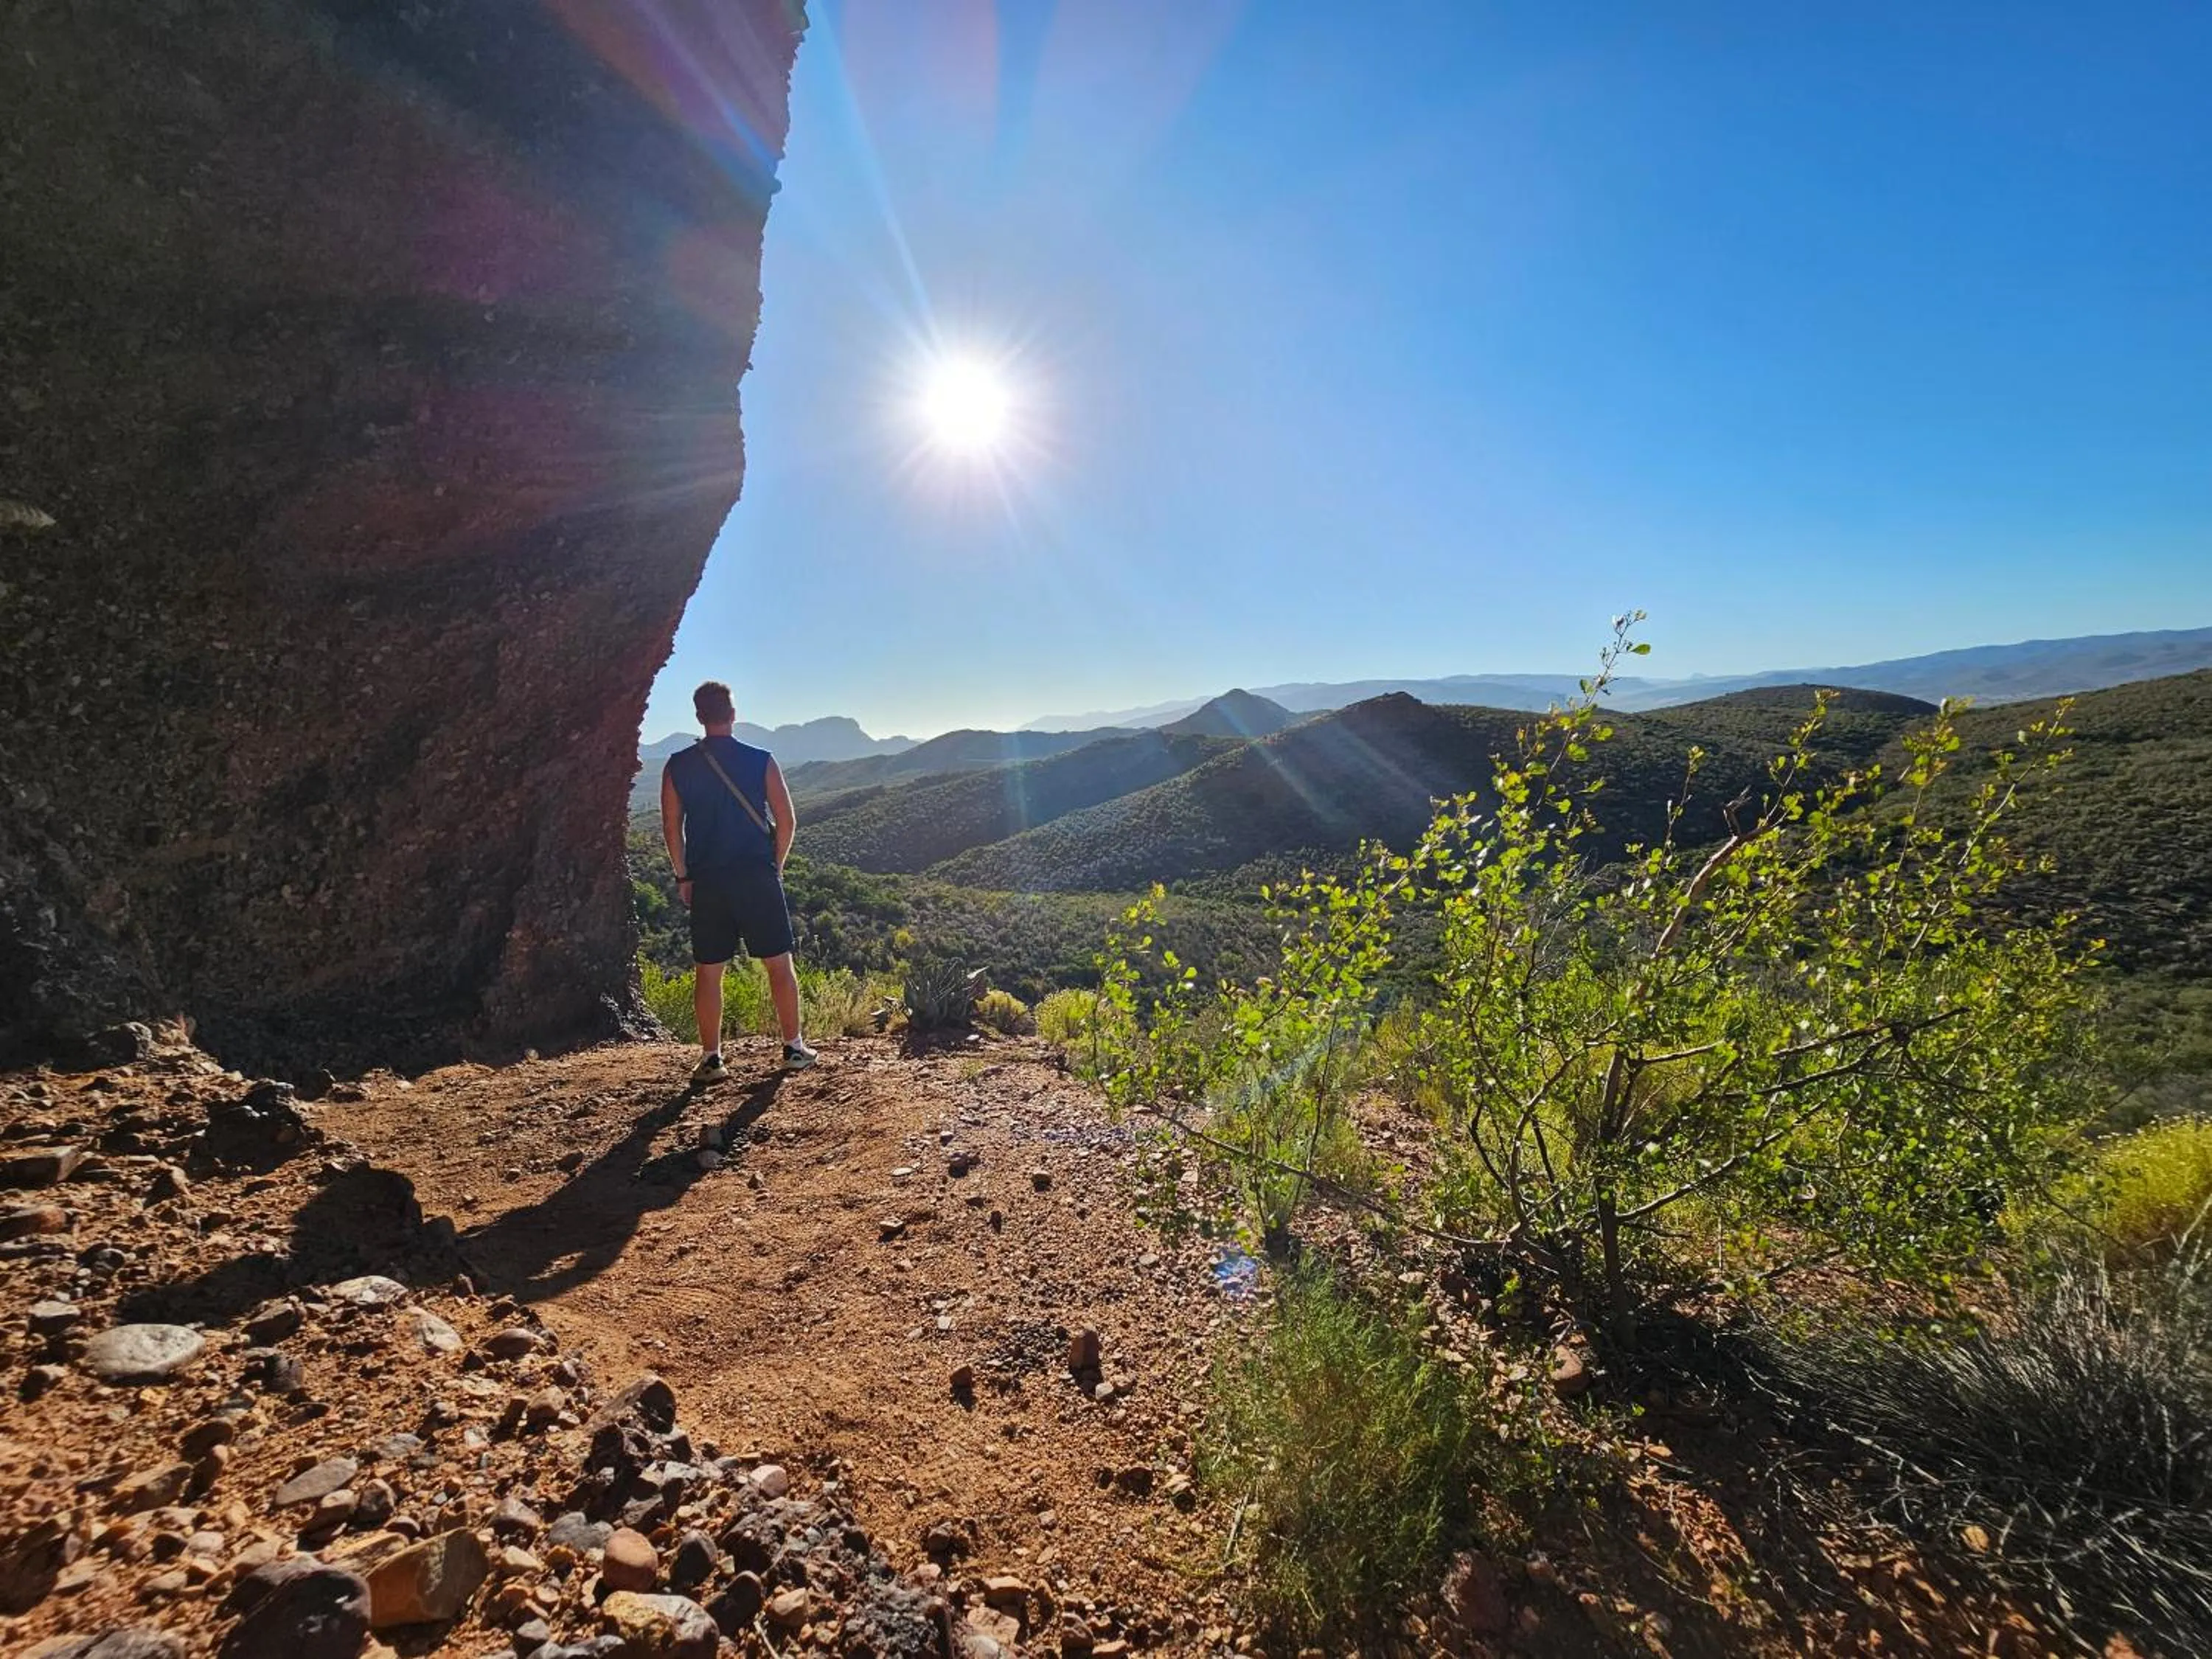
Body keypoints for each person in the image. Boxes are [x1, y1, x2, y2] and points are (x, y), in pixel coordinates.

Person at [659, 680, 817, 1082]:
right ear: (733, 714)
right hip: (755, 875)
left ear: (698, 717)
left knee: (708, 972)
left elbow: (671, 827)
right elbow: (787, 821)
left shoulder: (677, 765)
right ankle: (793, 1048)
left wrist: (682, 876)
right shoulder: (761, 759)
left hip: (708, 880)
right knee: (779, 965)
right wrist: (775, 867)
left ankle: (711, 1059)